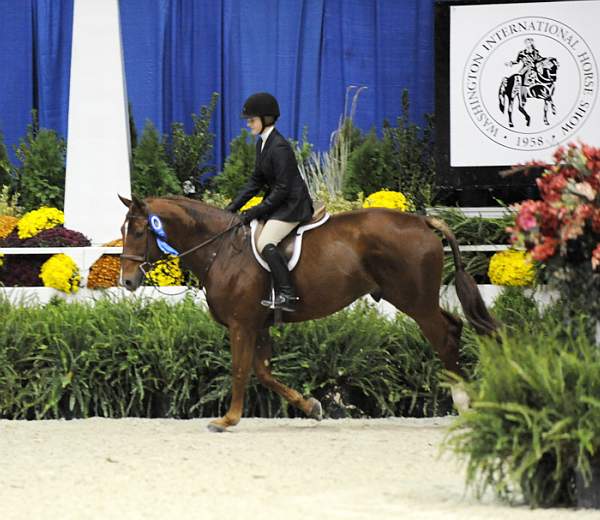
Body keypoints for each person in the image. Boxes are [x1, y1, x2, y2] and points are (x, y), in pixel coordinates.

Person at [225, 92, 314, 312]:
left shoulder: (279, 148)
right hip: (281, 202)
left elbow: (283, 189)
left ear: (267, 119)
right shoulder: (263, 144)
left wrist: (254, 211)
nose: (248, 124)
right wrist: (232, 208)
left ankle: (287, 294)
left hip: (293, 205)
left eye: (252, 120)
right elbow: (255, 181)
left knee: (265, 242)